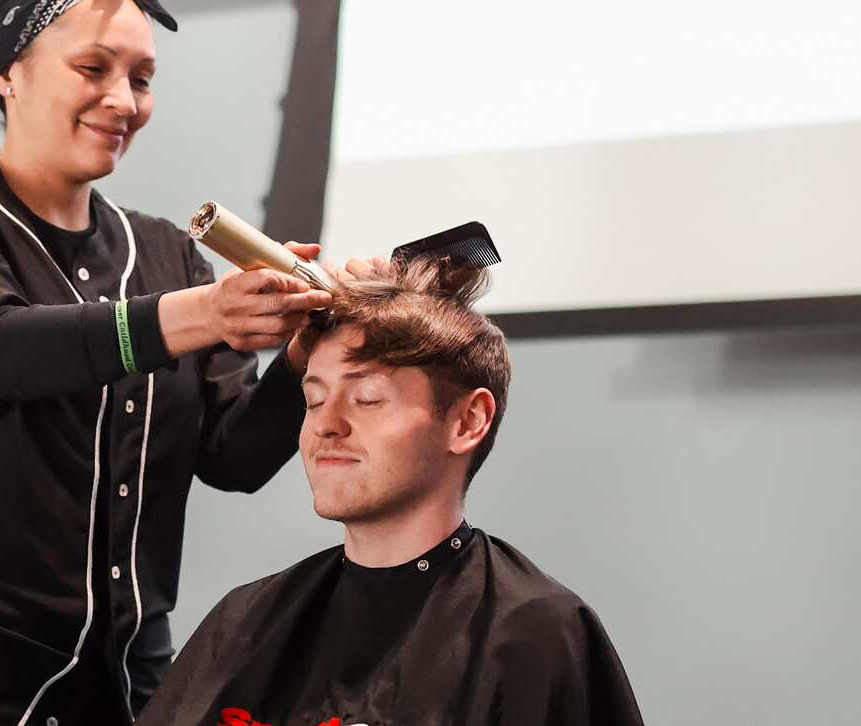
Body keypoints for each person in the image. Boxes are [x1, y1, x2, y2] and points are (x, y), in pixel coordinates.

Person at [0, 1, 350, 724]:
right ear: (8, 74)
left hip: (112, 677)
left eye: (142, 78)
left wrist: (304, 344)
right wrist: (206, 312)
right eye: (93, 68)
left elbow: (232, 455)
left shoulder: (166, 254)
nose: (123, 100)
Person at [133, 257, 645, 726]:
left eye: (367, 398)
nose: (326, 425)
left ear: (468, 421)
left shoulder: (534, 637)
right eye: (313, 401)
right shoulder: (244, 622)